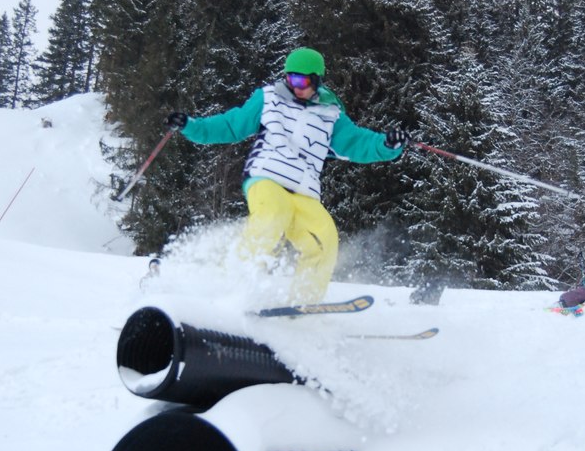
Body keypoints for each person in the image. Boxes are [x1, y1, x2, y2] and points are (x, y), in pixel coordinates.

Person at [166, 47, 410, 303]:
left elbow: (358, 142)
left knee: (324, 239)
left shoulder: (331, 114)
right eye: (291, 79)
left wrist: (388, 145)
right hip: (266, 177)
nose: (296, 86)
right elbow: (230, 125)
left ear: (317, 80)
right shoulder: (269, 98)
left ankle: (303, 306)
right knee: (274, 212)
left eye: (303, 81)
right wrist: (191, 126)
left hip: (304, 191)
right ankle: (231, 285)